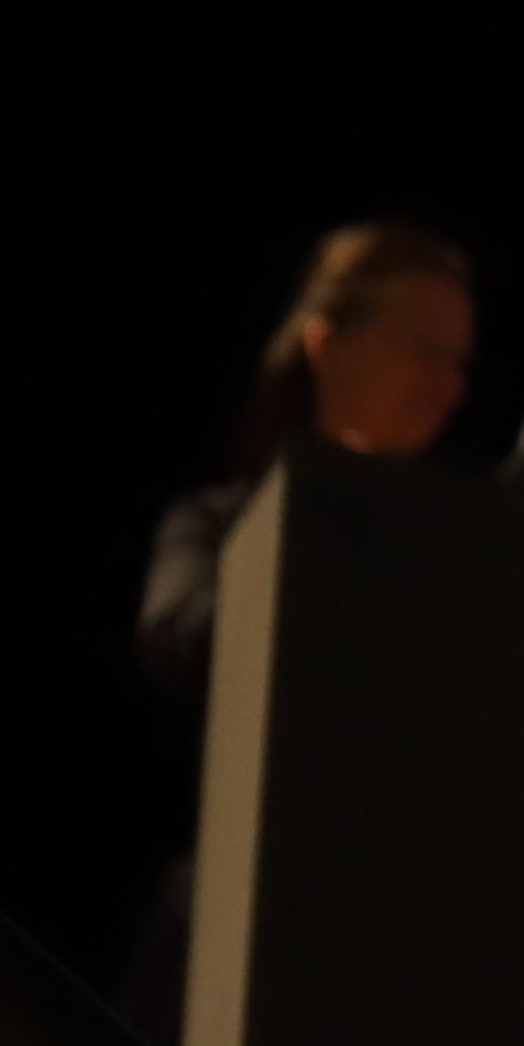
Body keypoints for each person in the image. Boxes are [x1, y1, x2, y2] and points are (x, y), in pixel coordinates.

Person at [136, 219, 479, 717]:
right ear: (327, 345)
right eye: (424, 349)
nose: (451, 386)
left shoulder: (468, 538)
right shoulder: (216, 525)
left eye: (458, 360)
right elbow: (180, 647)